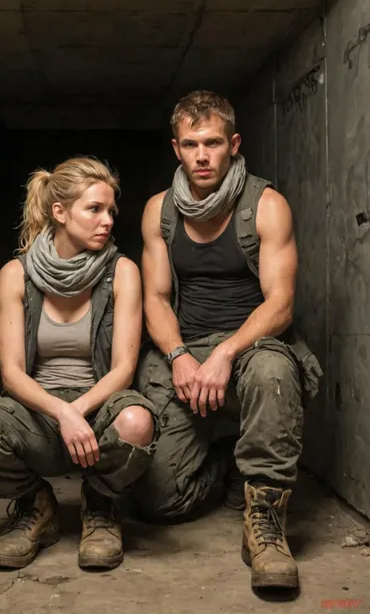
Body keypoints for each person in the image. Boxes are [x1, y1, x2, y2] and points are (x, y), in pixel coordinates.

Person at [133, 90, 322, 590]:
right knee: (157, 502)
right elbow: (154, 297)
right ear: (176, 148)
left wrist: (225, 352)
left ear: (233, 144)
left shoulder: (266, 205)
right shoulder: (159, 211)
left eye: (213, 143)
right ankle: (227, 467)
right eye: (191, 144)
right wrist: (177, 355)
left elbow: (280, 303)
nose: (201, 156)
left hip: (250, 346)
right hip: (186, 347)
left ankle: (265, 521)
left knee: (274, 370)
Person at [0, 157, 158, 571]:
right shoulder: (17, 275)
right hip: (41, 411)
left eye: (111, 211)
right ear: (59, 212)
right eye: (94, 209)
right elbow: (12, 373)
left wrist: (79, 410)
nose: (107, 221)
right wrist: (61, 412)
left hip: (99, 407)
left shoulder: (122, 272)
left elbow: (123, 367)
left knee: (138, 422)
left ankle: (101, 505)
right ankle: (36, 506)